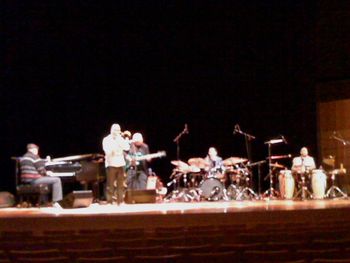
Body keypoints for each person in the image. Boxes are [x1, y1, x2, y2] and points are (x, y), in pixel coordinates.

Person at [102, 124, 130, 204]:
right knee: (110, 185)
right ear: (111, 130)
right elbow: (108, 151)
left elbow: (127, 148)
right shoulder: (106, 139)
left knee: (120, 185)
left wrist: (122, 140)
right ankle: (110, 201)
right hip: (111, 164)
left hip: (120, 163)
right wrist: (115, 145)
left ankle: (120, 202)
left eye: (118, 130)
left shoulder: (120, 139)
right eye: (115, 130)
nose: (117, 132)